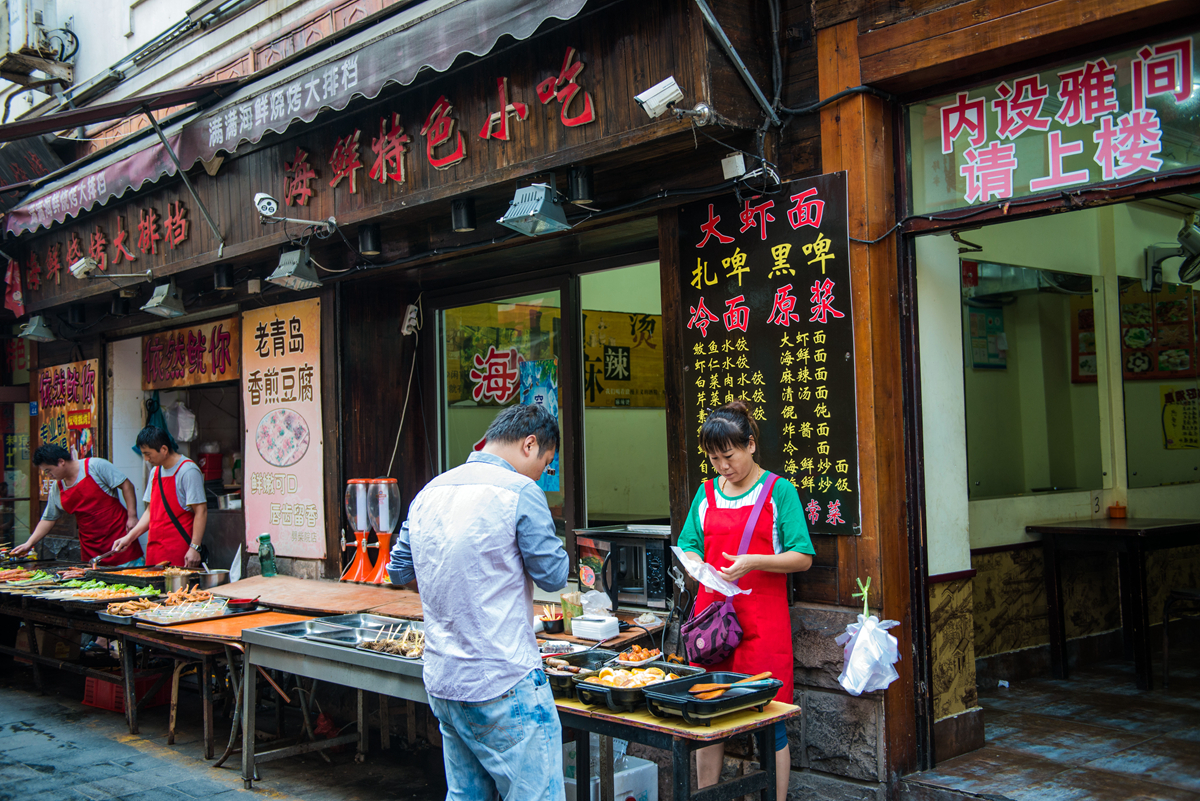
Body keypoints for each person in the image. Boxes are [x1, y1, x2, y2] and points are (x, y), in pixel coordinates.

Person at [388, 403, 568, 801]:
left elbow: (397, 570)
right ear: (530, 444)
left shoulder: (429, 491)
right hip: (502, 680)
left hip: (443, 680)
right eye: (547, 463)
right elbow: (554, 576)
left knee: (467, 796)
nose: (544, 472)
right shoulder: (522, 492)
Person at [678, 400, 815, 799]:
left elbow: (802, 556)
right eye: (714, 458)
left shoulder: (779, 492)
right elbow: (688, 544)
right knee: (707, 714)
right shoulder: (704, 494)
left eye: (729, 455)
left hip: (761, 625)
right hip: (711, 623)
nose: (722, 466)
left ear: (751, 445)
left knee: (771, 719)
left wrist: (755, 561)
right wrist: (693, 563)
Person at [11, 445, 143, 567]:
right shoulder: (57, 488)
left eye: (49, 471)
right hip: (90, 545)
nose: (49, 476)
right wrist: (29, 543)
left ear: (61, 462)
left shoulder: (95, 466)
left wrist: (132, 516)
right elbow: (48, 519)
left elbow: (126, 485)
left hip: (119, 536)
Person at [111, 426, 207, 568]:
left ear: (163, 449)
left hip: (180, 550)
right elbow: (151, 511)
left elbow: (201, 511)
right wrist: (129, 538)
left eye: (148, 454)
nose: (146, 458)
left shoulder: (188, 470)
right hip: (154, 550)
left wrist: (195, 547)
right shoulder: (156, 471)